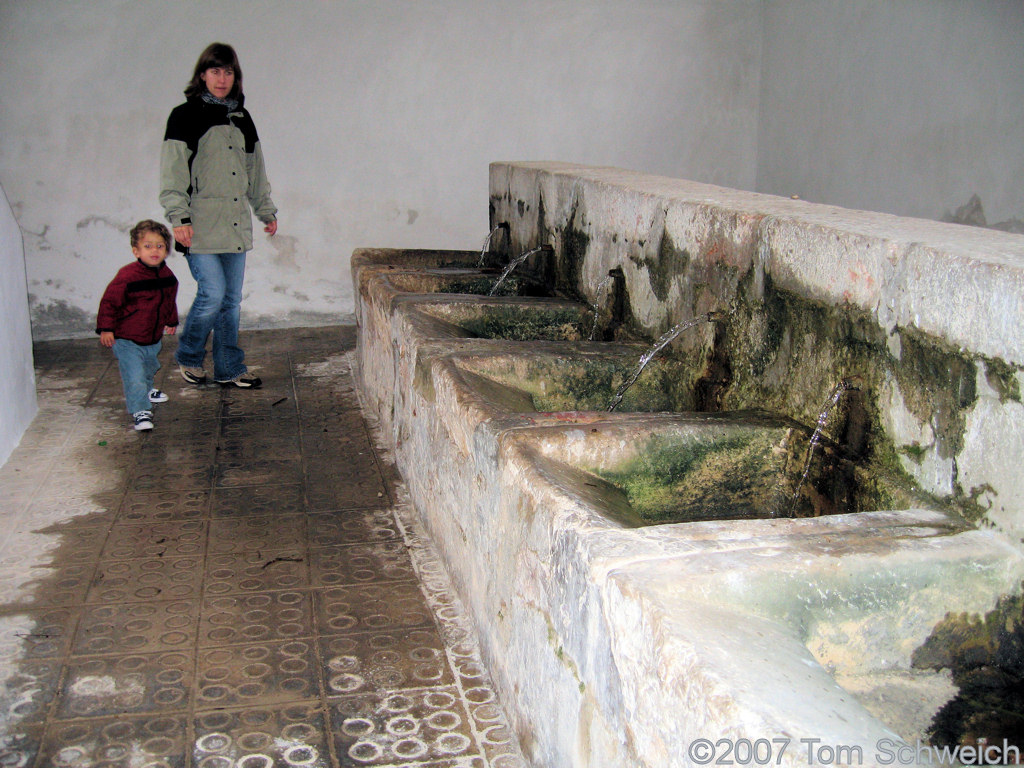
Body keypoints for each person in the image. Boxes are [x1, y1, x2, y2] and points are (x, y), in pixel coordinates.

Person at [160, 42, 277, 389]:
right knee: (212, 294)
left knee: (230, 301)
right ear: (202, 75)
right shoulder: (184, 115)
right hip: (200, 227)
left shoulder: (242, 117)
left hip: (236, 224)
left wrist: (265, 210)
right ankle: (190, 356)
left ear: (235, 77)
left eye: (228, 72)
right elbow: (173, 175)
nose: (222, 78)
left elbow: (255, 169)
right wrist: (179, 218)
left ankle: (229, 367)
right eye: (215, 71)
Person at [96, 220, 179, 431]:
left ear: (166, 250)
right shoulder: (127, 276)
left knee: (149, 367)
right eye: (148, 246)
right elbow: (109, 302)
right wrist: (106, 328)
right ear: (136, 251)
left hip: (152, 336)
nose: (155, 250)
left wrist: (171, 319)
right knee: (134, 376)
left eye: (160, 246)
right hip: (126, 338)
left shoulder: (167, 275)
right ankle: (140, 409)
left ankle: (148, 389)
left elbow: (169, 299)